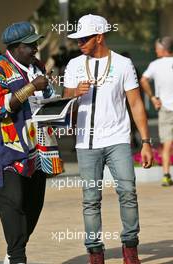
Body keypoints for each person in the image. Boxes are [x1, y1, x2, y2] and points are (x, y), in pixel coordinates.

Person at [63, 14, 153, 264]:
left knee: (128, 192)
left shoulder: (124, 64)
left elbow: (135, 104)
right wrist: (73, 92)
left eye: (84, 38)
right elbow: (64, 100)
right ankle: (95, 252)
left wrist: (146, 142)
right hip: (86, 142)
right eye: (78, 38)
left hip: (117, 139)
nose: (79, 42)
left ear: (99, 37)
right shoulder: (74, 65)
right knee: (91, 199)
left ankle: (130, 248)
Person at [0, 21, 63, 264]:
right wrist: (31, 87)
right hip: (8, 150)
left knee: (34, 206)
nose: (35, 48)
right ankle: (17, 257)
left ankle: (13, 251)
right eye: (30, 45)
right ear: (15, 47)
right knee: (12, 204)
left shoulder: (36, 65)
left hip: (39, 146)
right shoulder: (1, 68)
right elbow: (0, 107)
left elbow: (44, 98)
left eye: (35, 43)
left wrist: (53, 95)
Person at [141, 36, 173, 187]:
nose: (155, 50)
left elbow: (143, 80)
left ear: (163, 49)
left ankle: (166, 175)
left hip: (165, 109)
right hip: (165, 109)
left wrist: (153, 98)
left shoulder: (155, 65)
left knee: (166, 144)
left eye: (157, 48)